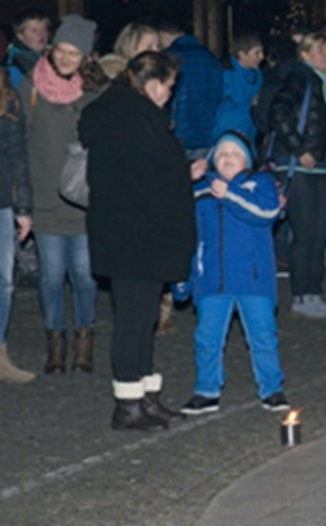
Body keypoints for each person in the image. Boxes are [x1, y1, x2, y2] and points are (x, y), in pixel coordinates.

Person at [80, 52, 197, 431]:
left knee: (143, 318)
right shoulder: (131, 119)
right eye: (168, 86)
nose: (170, 93)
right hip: (135, 236)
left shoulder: (131, 114)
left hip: (135, 235)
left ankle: (145, 395)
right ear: (150, 83)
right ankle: (127, 403)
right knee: (133, 320)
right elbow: (144, 182)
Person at [179, 131, 289, 415]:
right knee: (207, 337)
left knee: (263, 336)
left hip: (254, 279)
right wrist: (185, 275)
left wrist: (229, 194)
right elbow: (186, 232)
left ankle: (272, 388)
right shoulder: (201, 190)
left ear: (247, 159)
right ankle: (206, 389)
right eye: (221, 153)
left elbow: (265, 213)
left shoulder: (260, 184)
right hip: (212, 279)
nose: (227, 158)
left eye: (235, 153)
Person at [20, 14, 105, 375]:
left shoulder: (96, 93)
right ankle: (56, 341)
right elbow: (18, 144)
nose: (66, 58)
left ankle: (84, 340)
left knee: (85, 275)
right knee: (51, 276)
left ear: (86, 57)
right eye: (62, 50)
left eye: (75, 53)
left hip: (84, 201)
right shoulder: (31, 88)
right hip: (44, 200)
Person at [266, 31, 326, 319]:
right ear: (305, 55)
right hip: (301, 167)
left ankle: (315, 291)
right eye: (320, 51)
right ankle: (301, 295)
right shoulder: (300, 77)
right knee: (305, 233)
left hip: (325, 166)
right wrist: (300, 149)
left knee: (320, 234)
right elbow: (278, 112)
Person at [0, 69, 33, 384]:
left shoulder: (7, 99)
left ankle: (0, 354)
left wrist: (23, 207)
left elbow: (17, 156)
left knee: (3, 283)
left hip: (1, 203)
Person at [159, 21, 222, 159]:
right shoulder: (210, 58)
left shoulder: (166, 59)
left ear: (163, 35)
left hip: (177, 135)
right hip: (206, 134)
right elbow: (218, 96)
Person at [212, 32, 264, 143]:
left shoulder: (258, 76)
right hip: (227, 134)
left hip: (250, 134)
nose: (262, 57)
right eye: (257, 53)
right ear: (242, 54)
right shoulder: (224, 74)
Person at [6, 8, 50, 87]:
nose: (41, 34)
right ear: (20, 36)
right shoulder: (14, 65)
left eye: (44, 29)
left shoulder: (52, 54)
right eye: (34, 30)